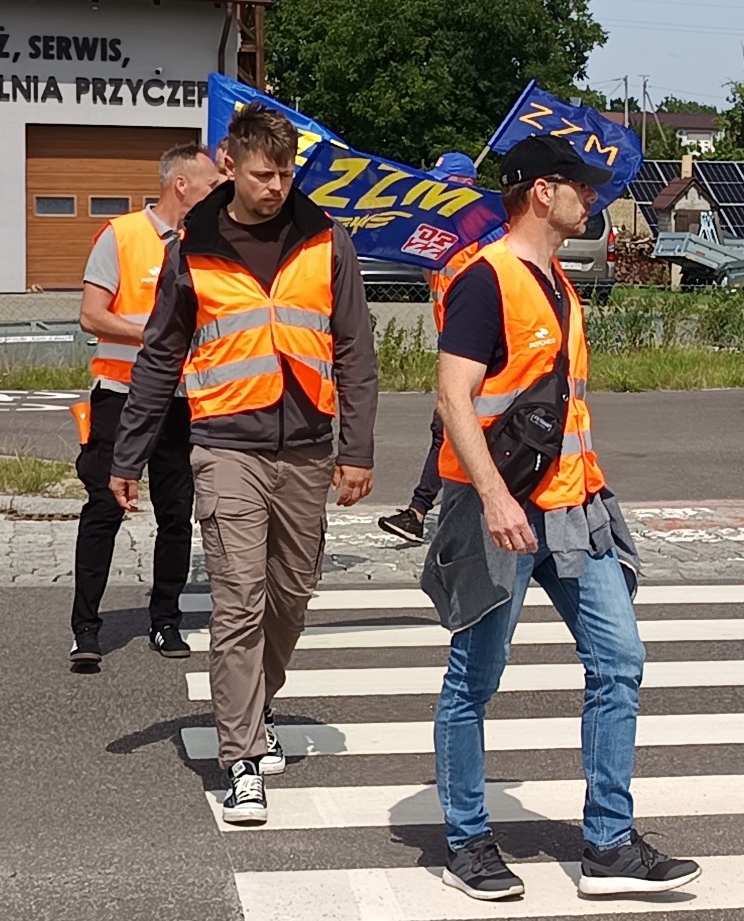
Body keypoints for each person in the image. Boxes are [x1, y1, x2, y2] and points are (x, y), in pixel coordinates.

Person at [423, 134, 699, 901]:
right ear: (543, 191)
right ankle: (469, 839)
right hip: (499, 511)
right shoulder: (487, 281)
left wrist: (592, 493)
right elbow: (454, 399)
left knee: (620, 661)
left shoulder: (558, 283)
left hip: (574, 507)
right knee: (475, 679)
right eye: (582, 186)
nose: (594, 198)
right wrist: (494, 496)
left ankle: (608, 845)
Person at [109, 103, 379, 825]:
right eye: (265, 173)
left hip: (308, 448)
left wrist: (356, 449)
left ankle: (257, 707)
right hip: (226, 445)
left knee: (290, 597)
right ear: (230, 165)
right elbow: (162, 352)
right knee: (238, 600)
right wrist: (128, 453)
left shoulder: (325, 238)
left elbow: (355, 349)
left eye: (287, 173)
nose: (277, 186)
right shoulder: (192, 245)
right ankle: (242, 757)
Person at [69, 144, 223, 666]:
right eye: (210, 186)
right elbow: (92, 315)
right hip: (121, 395)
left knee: (177, 515)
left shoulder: (208, 243)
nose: (218, 194)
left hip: (183, 401)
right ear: (181, 185)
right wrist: (155, 334)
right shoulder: (123, 235)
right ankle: (86, 629)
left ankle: (166, 620)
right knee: (104, 508)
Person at [378, 151, 483, 544]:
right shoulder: (445, 231)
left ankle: (419, 511)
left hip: (479, 355)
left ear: (465, 186)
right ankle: (427, 511)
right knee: (452, 431)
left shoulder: (483, 232)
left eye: (443, 182)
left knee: (450, 428)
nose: (435, 190)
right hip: (454, 348)